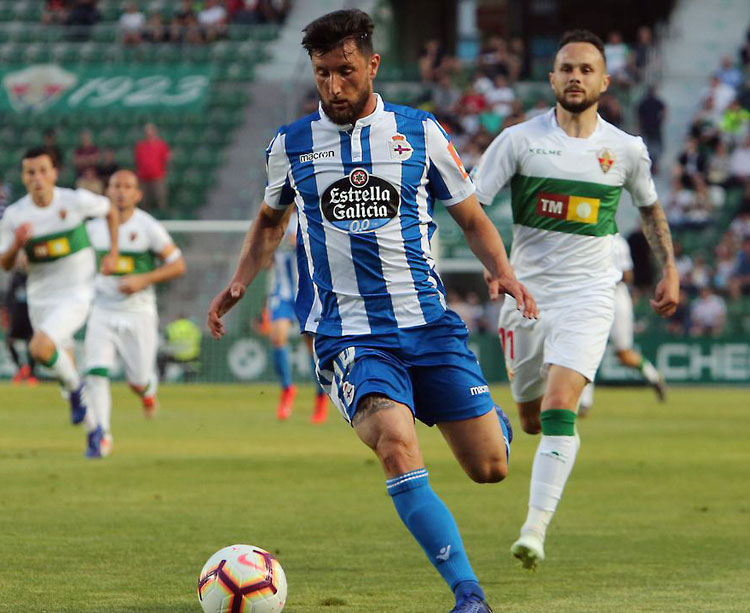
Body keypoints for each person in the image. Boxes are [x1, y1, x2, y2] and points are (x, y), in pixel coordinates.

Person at [207, 10, 537, 613]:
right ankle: (469, 596)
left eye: (346, 71)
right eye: (322, 73)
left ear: (372, 65)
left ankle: (493, 423)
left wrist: (503, 270)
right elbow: (269, 222)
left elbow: (470, 216)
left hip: (430, 326)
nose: (333, 86)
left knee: (490, 467)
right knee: (394, 440)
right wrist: (239, 280)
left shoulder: (420, 132)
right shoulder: (292, 144)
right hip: (349, 336)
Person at [471, 29, 679, 570]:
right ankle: (518, 425)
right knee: (532, 418)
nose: (576, 77)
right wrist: (497, 269)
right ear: (552, 78)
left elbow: (652, 211)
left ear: (605, 82)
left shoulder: (626, 150)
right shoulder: (519, 141)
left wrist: (670, 272)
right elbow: (471, 205)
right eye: (566, 68)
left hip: (590, 295)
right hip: (527, 298)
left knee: (562, 409)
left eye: (587, 69)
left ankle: (534, 530)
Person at [0, 148, 119, 452]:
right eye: (30, 172)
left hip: (77, 291)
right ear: (23, 176)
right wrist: (17, 244)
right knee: (63, 369)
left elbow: (110, 210)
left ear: (54, 172)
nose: (37, 178)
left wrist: (113, 253)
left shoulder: (74, 200)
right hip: (41, 296)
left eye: (43, 170)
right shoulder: (15, 216)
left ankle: (79, 392)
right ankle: (96, 434)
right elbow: (5, 263)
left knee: (40, 347)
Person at [83, 170, 186, 458]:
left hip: (138, 312)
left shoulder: (147, 227)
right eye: (115, 186)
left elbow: (177, 265)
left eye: (128, 187)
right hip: (102, 309)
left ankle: (147, 390)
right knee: (95, 372)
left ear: (138, 194)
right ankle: (101, 435)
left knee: (138, 379)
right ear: (107, 191)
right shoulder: (93, 228)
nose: (120, 191)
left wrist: (143, 280)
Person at [578, 234, 667, 415]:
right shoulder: (611, 239)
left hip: (609, 296)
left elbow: (627, 275)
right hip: (606, 296)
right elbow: (628, 275)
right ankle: (585, 402)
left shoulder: (608, 240)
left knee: (612, 353)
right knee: (593, 351)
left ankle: (653, 376)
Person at [267, 210, 328, 423]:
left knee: (311, 347)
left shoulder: (304, 216)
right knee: (277, 336)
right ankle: (287, 389)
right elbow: (267, 261)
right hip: (282, 291)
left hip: (305, 291)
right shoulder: (273, 225)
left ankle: (321, 396)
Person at [5, 253, 37, 386]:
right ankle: (21, 369)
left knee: (34, 345)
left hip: (32, 318)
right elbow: (8, 298)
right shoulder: (15, 277)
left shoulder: (34, 278)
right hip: (18, 317)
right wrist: (8, 315)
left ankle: (30, 373)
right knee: (10, 342)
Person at [134, 123, 171, 212]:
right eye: (147, 132)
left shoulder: (161, 145)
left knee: (160, 197)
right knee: (144, 200)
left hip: (157, 176)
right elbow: (137, 160)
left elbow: (167, 159)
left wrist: (163, 172)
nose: (149, 134)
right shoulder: (140, 146)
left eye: (151, 131)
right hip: (143, 177)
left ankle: (163, 214)